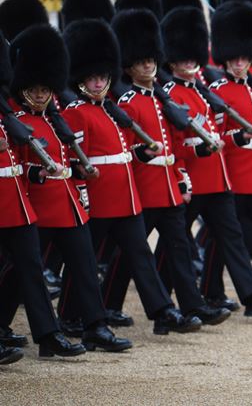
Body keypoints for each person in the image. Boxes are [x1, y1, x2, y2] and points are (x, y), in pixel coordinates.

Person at [62, 18, 202, 334]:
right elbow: (76, 161)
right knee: (84, 260)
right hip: (99, 199)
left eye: (102, 78)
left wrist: (143, 154)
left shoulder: (111, 109)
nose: (98, 83)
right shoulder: (76, 112)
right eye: (92, 79)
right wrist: (83, 197)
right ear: (82, 79)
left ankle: (163, 311)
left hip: (126, 199)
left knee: (141, 256)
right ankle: (69, 315)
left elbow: (125, 153)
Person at [161, 6, 252, 316]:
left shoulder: (204, 92)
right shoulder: (172, 94)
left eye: (192, 58)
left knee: (232, 239)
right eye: (183, 59)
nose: (190, 63)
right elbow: (176, 143)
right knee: (174, 245)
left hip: (218, 179)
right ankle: (163, 302)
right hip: (194, 178)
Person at [10, 23, 134, 351]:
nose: (41, 94)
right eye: (35, 89)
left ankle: (95, 326)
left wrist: (79, 170)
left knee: (84, 265)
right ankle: (31, 331)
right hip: (37, 209)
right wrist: (36, 172)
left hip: (68, 206)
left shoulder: (55, 120)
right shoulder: (18, 123)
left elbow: (66, 158)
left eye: (45, 89)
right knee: (21, 273)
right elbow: (16, 165)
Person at [0, 31, 86, 359]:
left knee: (31, 268)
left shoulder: (9, 113)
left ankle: (48, 335)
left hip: (15, 202)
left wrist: (36, 172)